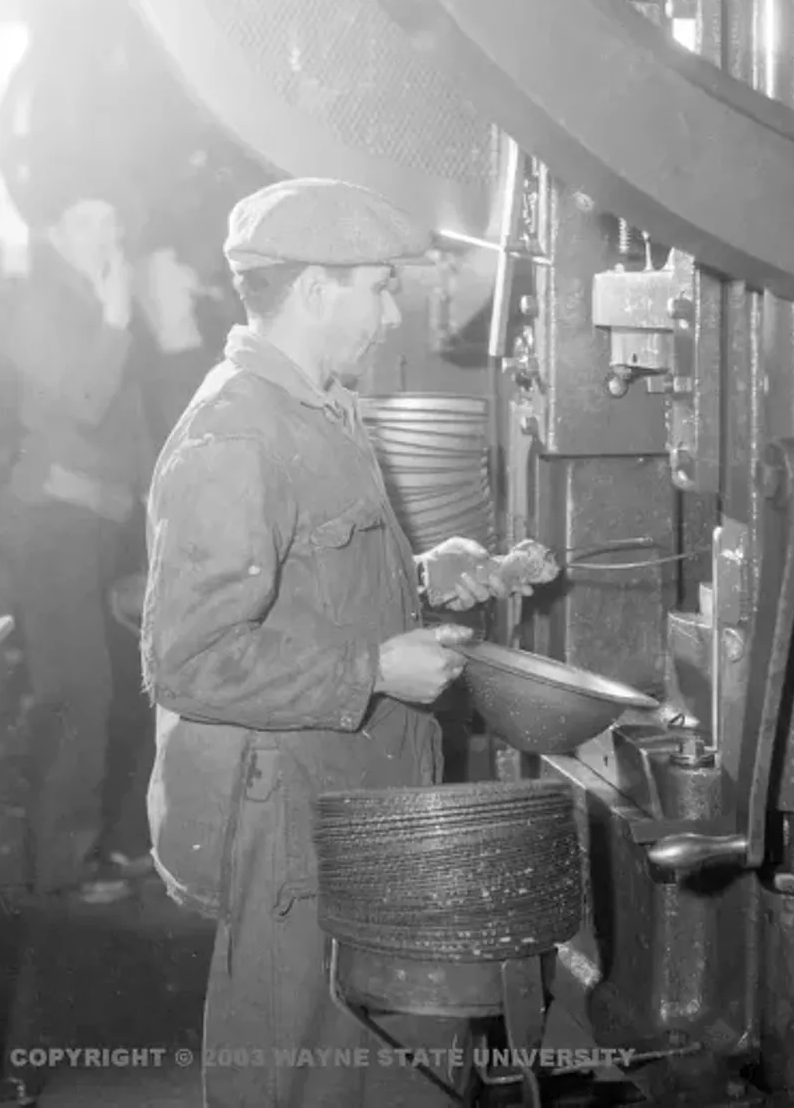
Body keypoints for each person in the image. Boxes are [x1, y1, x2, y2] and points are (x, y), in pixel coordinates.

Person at [143, 178, 539, 1108]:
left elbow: (310, 582)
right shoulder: (234, 434)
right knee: (298, 1073)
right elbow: (187, 659)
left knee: (379, 1068)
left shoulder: (323, 406)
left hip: (358, 793)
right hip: (289, 825)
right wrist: (374, 669)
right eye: (379, 287)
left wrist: (426, 573)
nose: (394, 312)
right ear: (317, 290)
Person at [0, 193, 153, 899]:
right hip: (51, 526)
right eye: (89, 221)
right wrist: (119, 317)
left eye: (112, 221)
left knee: (115, 690)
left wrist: (143, 496)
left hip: (94, 522)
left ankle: (107, 843)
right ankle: (59, 873)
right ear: (55, 228)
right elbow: (87, 400)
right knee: (76, 692)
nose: (106, 236)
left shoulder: (88, 300)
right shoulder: (37, 303)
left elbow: (122, 420)